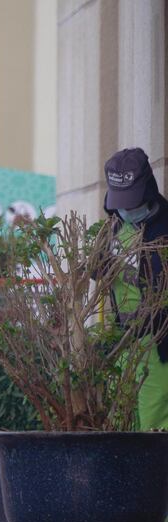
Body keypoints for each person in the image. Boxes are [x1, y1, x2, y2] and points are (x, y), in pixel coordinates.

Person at [103, 147, 168, 431]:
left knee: (155, 425)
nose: (126, 211)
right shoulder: (114, 227)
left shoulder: (164, 228)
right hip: (124, 343)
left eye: (132, 203)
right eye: (121, 204)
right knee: (123, 421)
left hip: (160, 346)